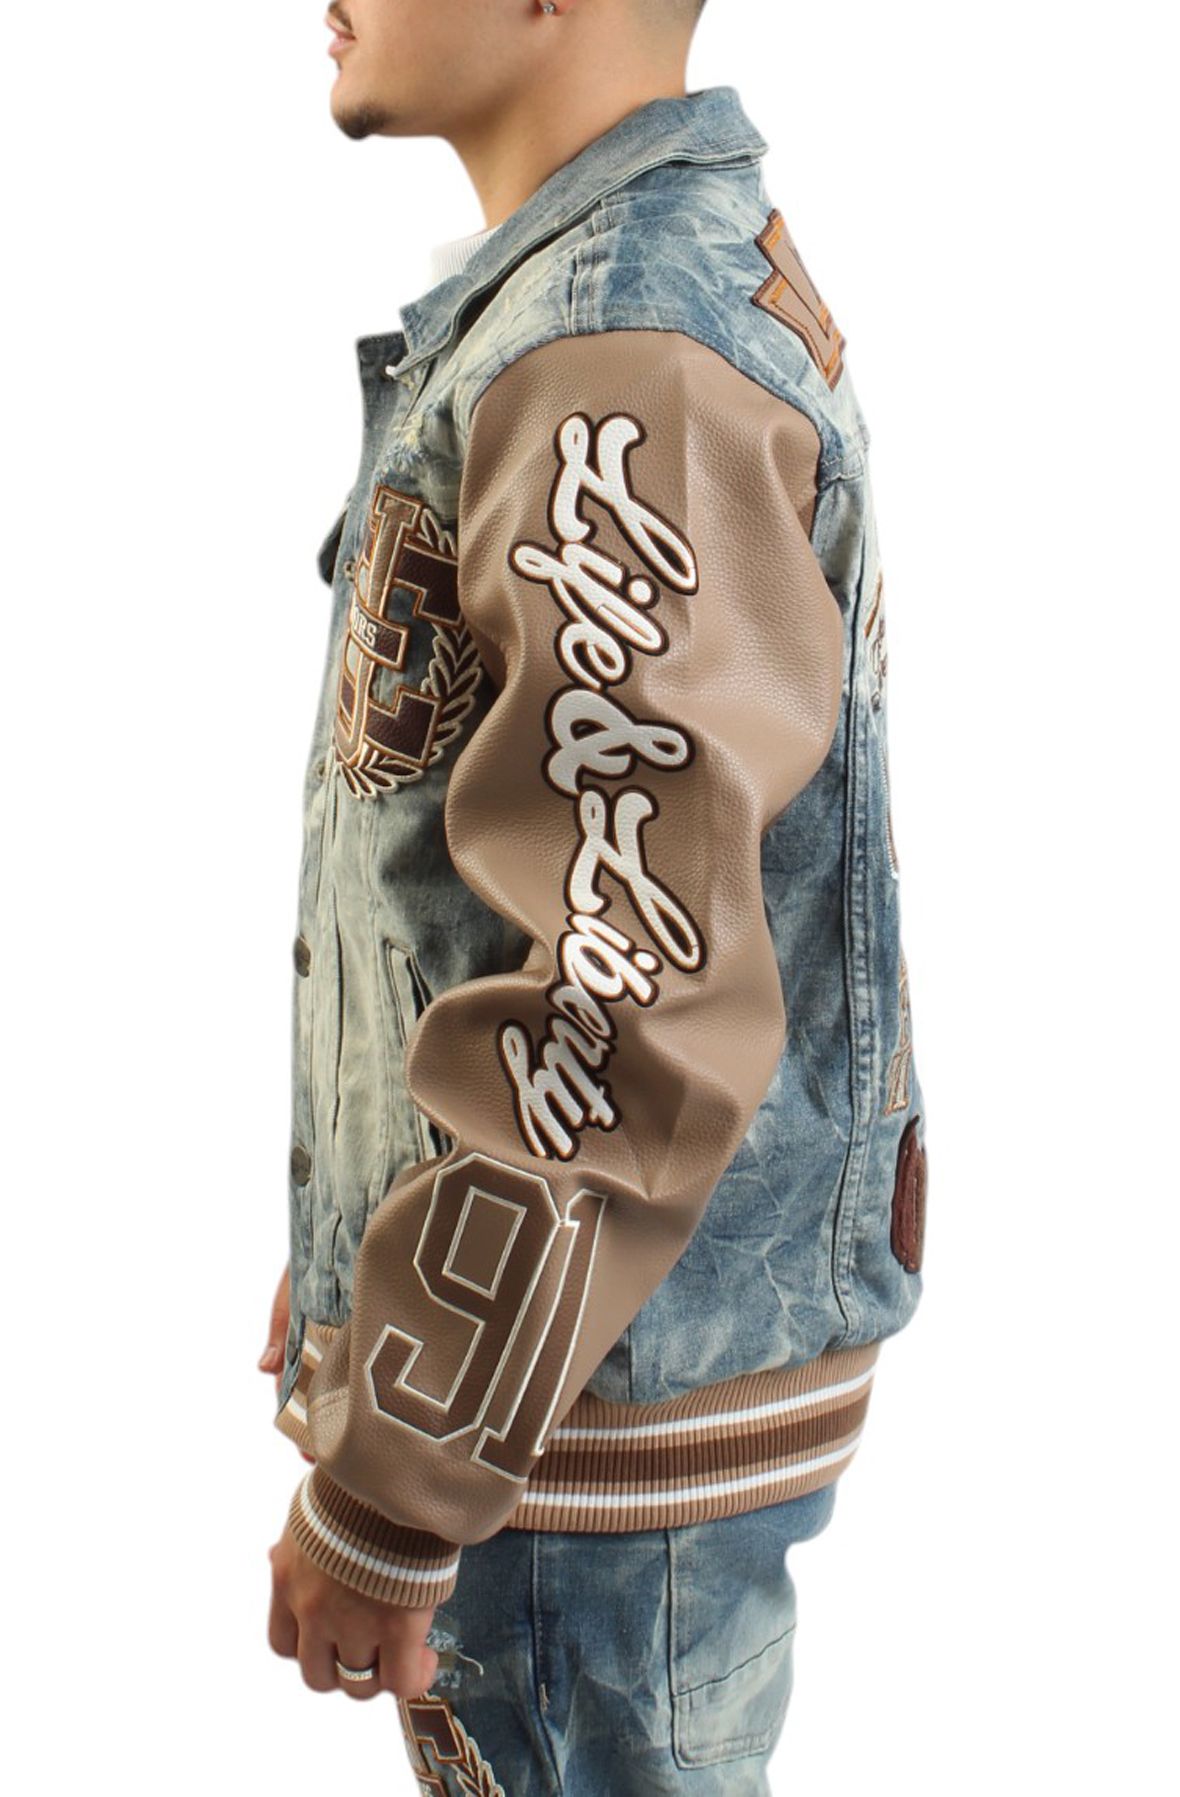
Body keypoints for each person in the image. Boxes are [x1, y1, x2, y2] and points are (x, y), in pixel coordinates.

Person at [259, 3, 930, 1791]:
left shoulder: (617, 354)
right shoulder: (602, 307)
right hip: (573, 1382)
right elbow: (493, 881)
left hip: (576, 1442)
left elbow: (626, 990)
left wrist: (406, 1464)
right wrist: (364, 1273)